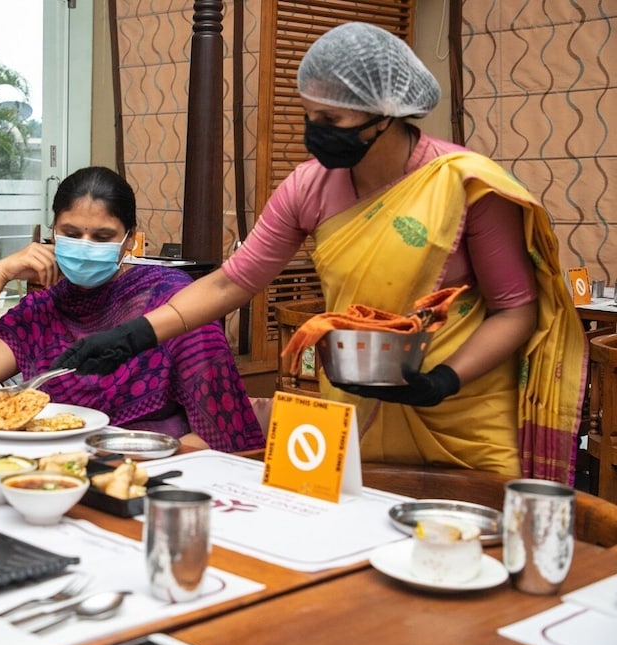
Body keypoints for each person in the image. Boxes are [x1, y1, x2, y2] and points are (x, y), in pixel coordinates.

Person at [51, 23, 587, 483]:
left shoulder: (466, 185)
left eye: (331, 121)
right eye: (310, 116)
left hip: (460, 412)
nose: (315, 134)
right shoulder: (308, 186)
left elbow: (515, 309)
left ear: (386, 114)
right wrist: (135, 334)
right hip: (352, 402)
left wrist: (444, 380)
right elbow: (233, 282)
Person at [0, 166, 265, 453]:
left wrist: (123, 463)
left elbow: (222, 433)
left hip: (154, 469)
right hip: (58, 470)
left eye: (103, 237)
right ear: (53, 233)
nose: (85, 246)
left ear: (129, 239)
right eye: (71, 233)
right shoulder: (44, 312)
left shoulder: (172, 301)